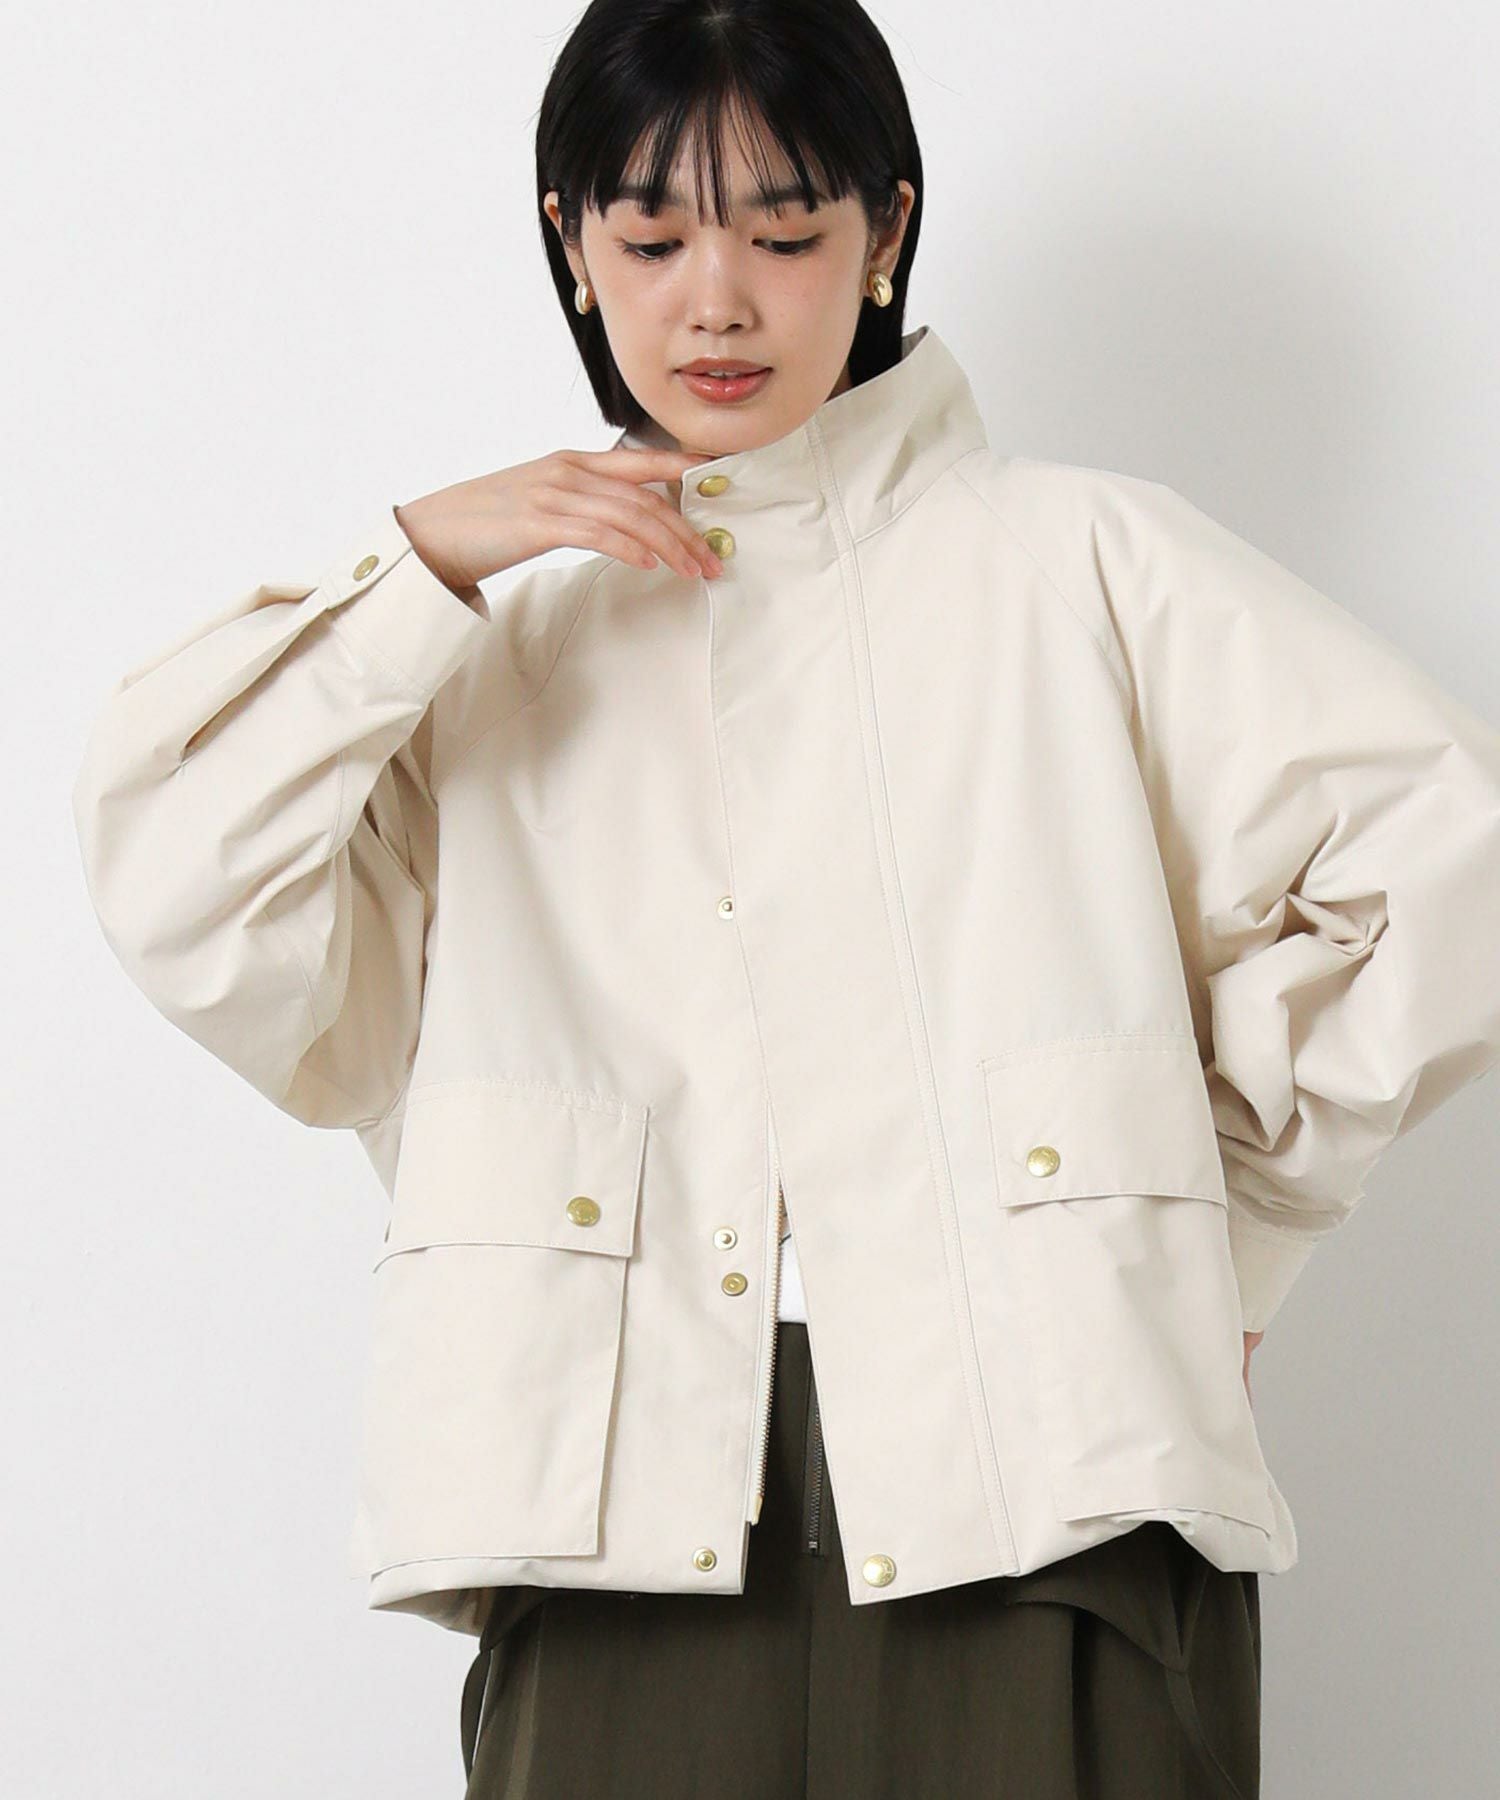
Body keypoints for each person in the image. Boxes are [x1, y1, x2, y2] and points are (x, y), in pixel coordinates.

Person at [69, 2, 1500, 1796]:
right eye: (654, 238)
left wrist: (1238, 1220)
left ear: (886, 231)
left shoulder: (1084, 561)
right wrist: (417, 564)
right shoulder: (485, 651)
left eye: (786, 230)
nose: (719, 302)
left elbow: (1446, 858)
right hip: (610, 1496)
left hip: (1056, 1478)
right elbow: (182, 873)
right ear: (570, 245)